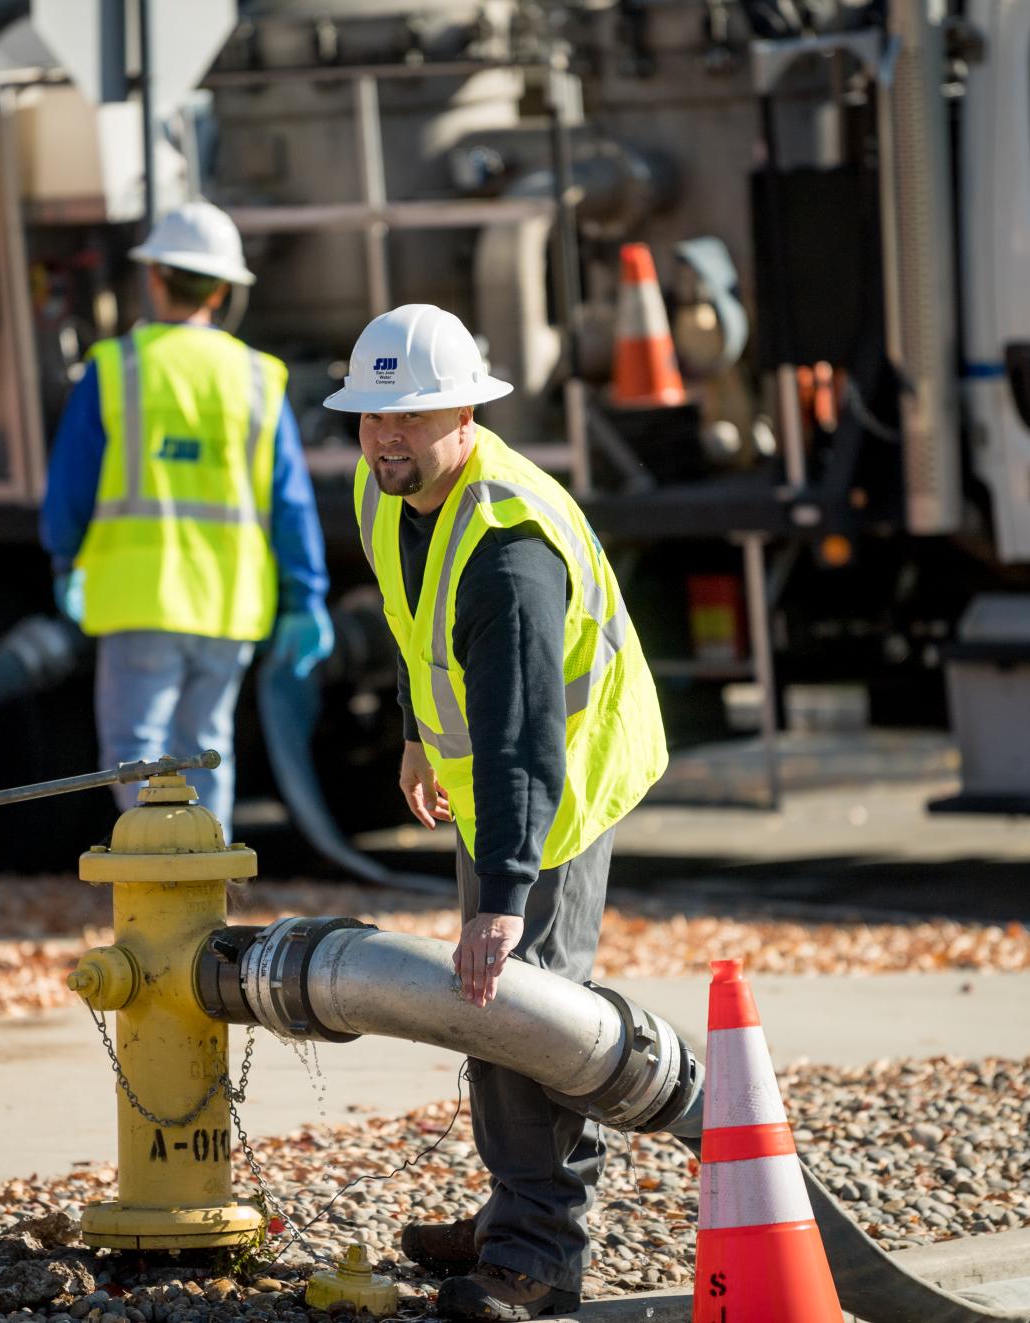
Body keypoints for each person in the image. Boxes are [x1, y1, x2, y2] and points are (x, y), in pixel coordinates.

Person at [323, 304, 668, 1319]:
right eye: (372, 415)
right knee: (497, 1003)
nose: (386, 436)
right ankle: (512, 1214)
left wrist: (505, 898)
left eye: (411, 415)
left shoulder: (507, 547)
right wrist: (414, 735)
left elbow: (525, 738)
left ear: (466, 415)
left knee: (529, 1008)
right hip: (496, 777)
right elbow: (409, 618)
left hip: (562, 776)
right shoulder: (386, 490)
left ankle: (540, 1256)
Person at [42, 201, 331, 832]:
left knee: (137, 755)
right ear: (223, 290)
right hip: (230, 605)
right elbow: (291, 501)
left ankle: (158, 880)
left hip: (138, 600)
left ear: (154, 278)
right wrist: (305, 597)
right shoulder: (259, 378)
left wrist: (65, 559)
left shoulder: (116, 368)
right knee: (207, 751)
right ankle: (208, 881)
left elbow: (70, 488)